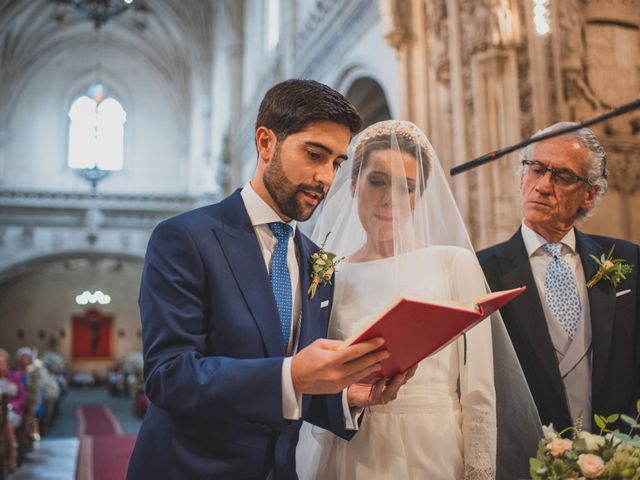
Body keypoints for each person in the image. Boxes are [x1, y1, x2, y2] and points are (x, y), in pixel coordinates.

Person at [126, 79, 412, 480]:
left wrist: (346, 396)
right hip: (188, 468)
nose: (325, 178)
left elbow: (291, 390)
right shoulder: (186, 238)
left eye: (336, 163)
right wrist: (292, 374)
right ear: (265, 143)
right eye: (314, 154)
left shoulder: (316, 259)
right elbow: (169, 376)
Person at [297, 120, 500, 479]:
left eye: (406, 188)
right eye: (377, 182)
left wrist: (479, 468)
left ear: (418, 196)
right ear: (354, 185)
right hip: (354, 445)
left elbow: (479, 388)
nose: (390, 199)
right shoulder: (330, 275)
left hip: (433, 446)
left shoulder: (453, 263)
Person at [478, 122, 639, 433]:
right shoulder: (481, 270)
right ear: (522, 176)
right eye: (536, 169)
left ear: (589, 194)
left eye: (562, 176)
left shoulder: (629, 260)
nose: (543, 185)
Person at [0, 348, 28, 472]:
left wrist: (12, 406)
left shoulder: (14, 377)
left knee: (7, 422)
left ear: (6, 363)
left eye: (2, 362)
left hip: (12, 412)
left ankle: (10, 458)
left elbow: (23, 397)